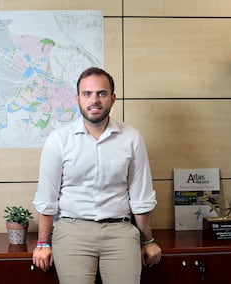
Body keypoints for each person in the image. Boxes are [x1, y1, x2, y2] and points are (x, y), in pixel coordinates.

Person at [32, 67, 162, 284]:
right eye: (87, 94)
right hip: (72, 231)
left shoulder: (131, 138)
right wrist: (43, 244)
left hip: (120, 231)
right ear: (78, 99)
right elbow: (47, 197)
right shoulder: (59, 139)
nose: (94, 100)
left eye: (101, 93)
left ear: (112, 98)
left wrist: (148, 240)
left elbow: (141, 197)